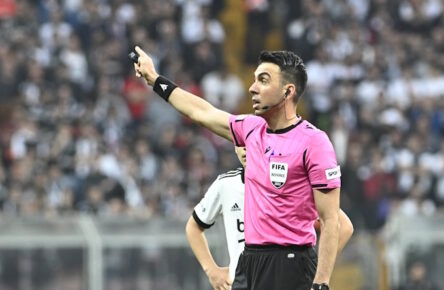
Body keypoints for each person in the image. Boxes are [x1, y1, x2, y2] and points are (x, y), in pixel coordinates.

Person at [134, 47, 342, 290]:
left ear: (288, 91)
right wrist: (155, 80)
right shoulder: (252, 128)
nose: (252, 88)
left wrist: (321, 283)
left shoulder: (314, 142)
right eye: (254, 79)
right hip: (249, 261)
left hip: (290, 264)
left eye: (263, 81)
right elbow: (201, 111)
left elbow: (331, 220)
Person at [186, 147, 353, 290]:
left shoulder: (290, 182)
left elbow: (343, 226)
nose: (245, 149)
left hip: (288, 279)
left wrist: (317, 270)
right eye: (240, 143)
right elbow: (193, 227)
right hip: (243, 283)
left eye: (250, 142)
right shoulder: (226, 185)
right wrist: (212, 271)